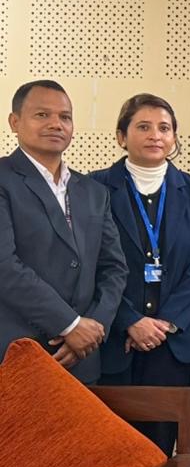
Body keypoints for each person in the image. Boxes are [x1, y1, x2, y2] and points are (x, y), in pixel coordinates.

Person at [92, 94, 190, 455]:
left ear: (174, 137)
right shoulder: (95, 187)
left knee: (161, 452)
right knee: (111, 446)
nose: (155, 135)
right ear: (121, 136)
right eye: (143, 127)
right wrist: (130, 320)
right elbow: (91, 263)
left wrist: (165, 323)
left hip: (172, 343)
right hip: (115, 339)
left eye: (164, 128)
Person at [0, 80, 127, 382]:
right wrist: (69, 325)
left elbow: (114, 268)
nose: (56, 124)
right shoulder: (4, 179)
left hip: (82, 358)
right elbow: (4, 265)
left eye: (65, 117)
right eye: (42, 115)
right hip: (16, 353)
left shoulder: (94, 191)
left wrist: (92, 328)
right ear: (15, 122)